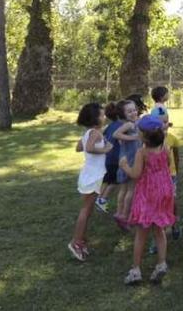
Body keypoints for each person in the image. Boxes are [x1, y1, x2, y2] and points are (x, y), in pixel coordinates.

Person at [119, 115, 175, 285]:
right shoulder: (165, 147)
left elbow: (136, 174)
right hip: (164, 190)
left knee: (142, 232)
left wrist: (124, 166)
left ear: (143, 136)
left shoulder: (142, 152)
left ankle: (136, 270)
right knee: (159, 230)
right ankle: (161, 264)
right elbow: (169, 163)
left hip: (147, 193)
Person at [69, 103, 112, 261]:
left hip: (90, 174)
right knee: (85, 211)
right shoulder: (95, 132)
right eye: (101, 115)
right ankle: (75, 242)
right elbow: (87, 147)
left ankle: (82, 240)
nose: (104, 117)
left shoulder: (89, 132)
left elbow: (79, 147)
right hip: (93, 176)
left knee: (88, 211)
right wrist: (105, 149)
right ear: (95, 118)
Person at [112, 100, 141, 230]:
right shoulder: (129, 125)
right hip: (130, 162)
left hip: (124, 160)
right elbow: (115, 134)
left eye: (134, 109)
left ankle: (119, 213)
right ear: (123, 114)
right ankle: (125, 215)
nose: (133, 112)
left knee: (123, 190)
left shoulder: (134, 124)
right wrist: (134, 138)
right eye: (129, 111)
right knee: (131, 189)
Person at [95, 101, 125, 214]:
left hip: (107, 158)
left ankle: (99, 199)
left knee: (107, 180)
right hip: (116, 158)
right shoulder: (122, 125)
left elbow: (103, 136)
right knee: (115, 182)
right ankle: (102, 200)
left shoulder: (109, 126)